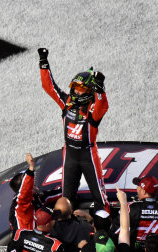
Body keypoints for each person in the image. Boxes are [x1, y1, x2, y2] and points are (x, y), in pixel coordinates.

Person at [38, 47, 109, 211]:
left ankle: (103, 228)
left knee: (100, 197)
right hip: (69, 155)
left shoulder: (93, 110)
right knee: (66, 198)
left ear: (90, 92)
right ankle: (66, 226)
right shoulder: (66, 102)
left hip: (88, 156)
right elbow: (49, 86)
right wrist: (43, 62)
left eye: (81, 89)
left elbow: (102, 105)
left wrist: (100, 87)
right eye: (75, 87)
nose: (76, 91)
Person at [9, 153, 37, 232]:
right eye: (29, 181)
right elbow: (24, 192)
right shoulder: (20, 204)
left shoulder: (35, 197)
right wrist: (31, 168)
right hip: (28, 241)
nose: (33, 181)